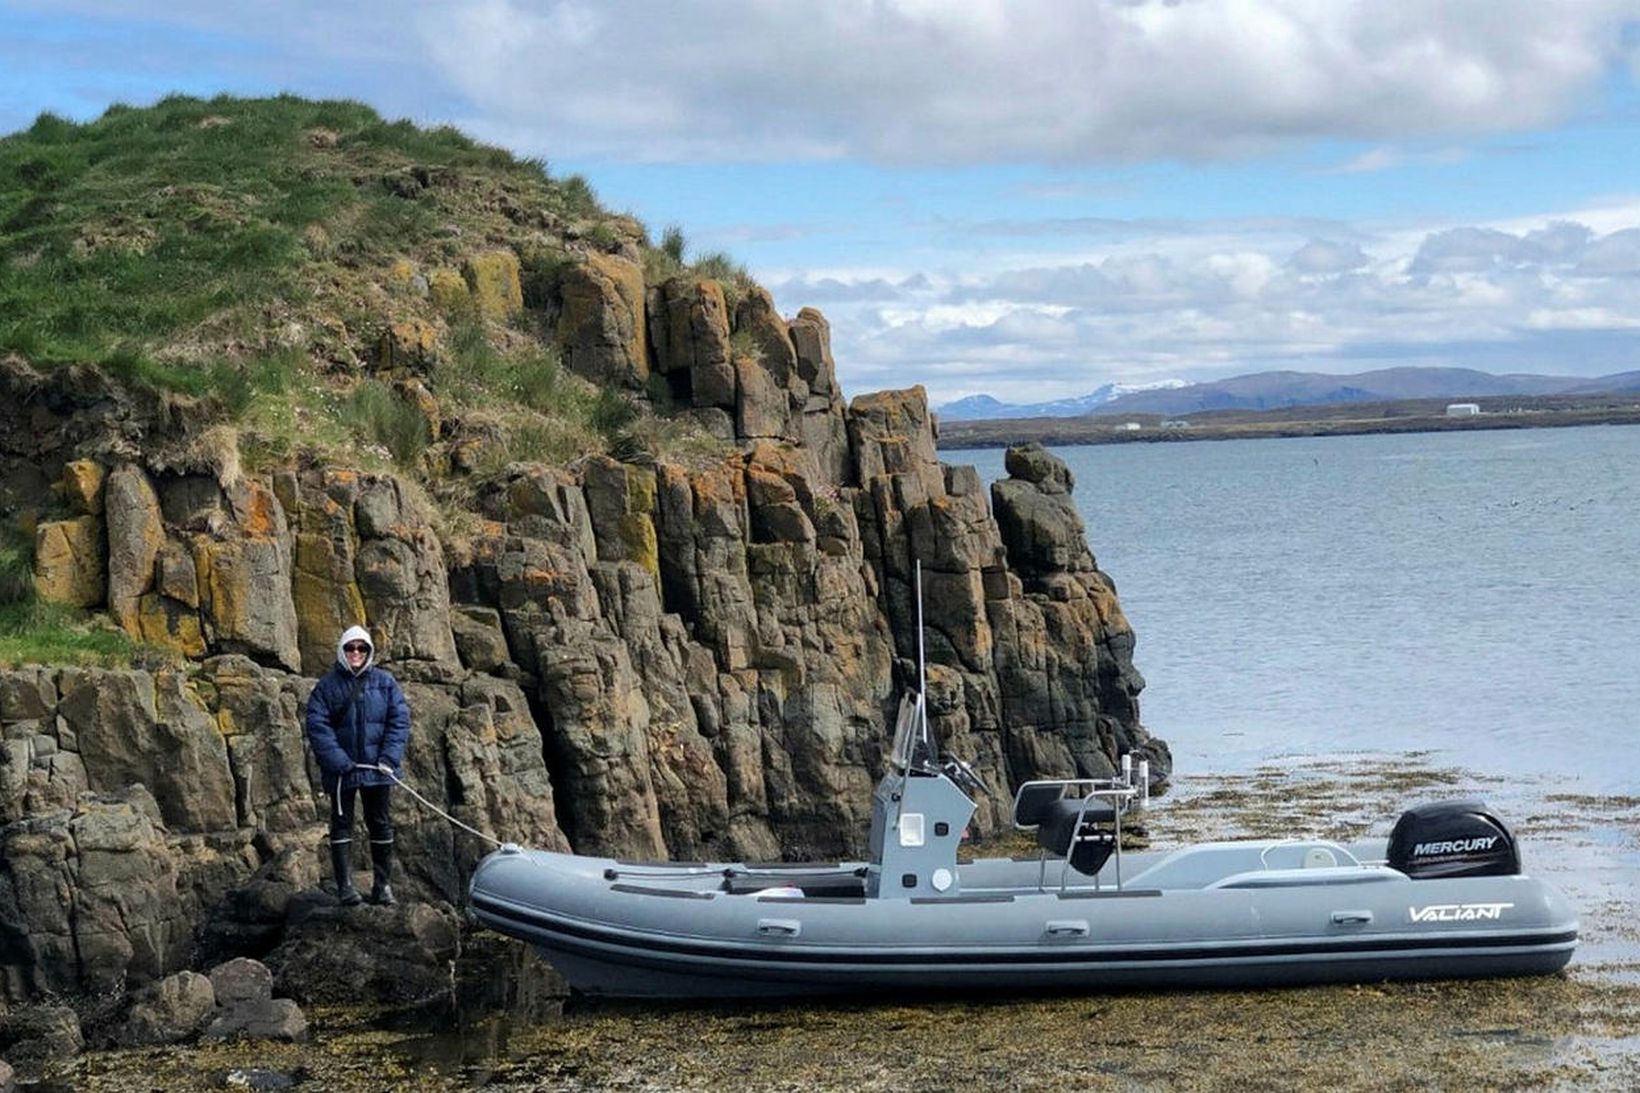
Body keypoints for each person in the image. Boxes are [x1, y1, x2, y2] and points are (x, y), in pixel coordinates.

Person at [304, 624, 410, 906]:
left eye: (361, 648)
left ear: (369, 651)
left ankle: (382, 887)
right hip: (343, 771)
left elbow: (398, 722)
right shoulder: (326, 687)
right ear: (342, 650)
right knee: (341, 825)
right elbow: (317, 725)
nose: (355, 653)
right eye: (350, 648)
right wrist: (338, 761)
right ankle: (345, 888)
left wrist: (388, 758)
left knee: (380, 824)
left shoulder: (385, 683)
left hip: (378, 770)